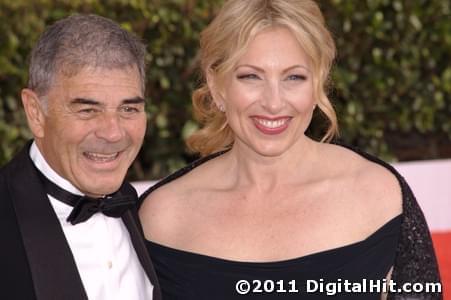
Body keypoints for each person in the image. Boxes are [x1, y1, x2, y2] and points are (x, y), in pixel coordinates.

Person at [139, 0, 442, 299]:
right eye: (251, 76)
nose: (273, 102)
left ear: (318, 83)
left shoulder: (379, 196)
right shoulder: (163, 218)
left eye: (294, 77)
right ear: (217, 86)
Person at [0, 14, 161, 300]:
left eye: (129, 109)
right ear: (36, 113)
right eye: (88, 110)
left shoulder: (152, 214)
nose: (113, 133)